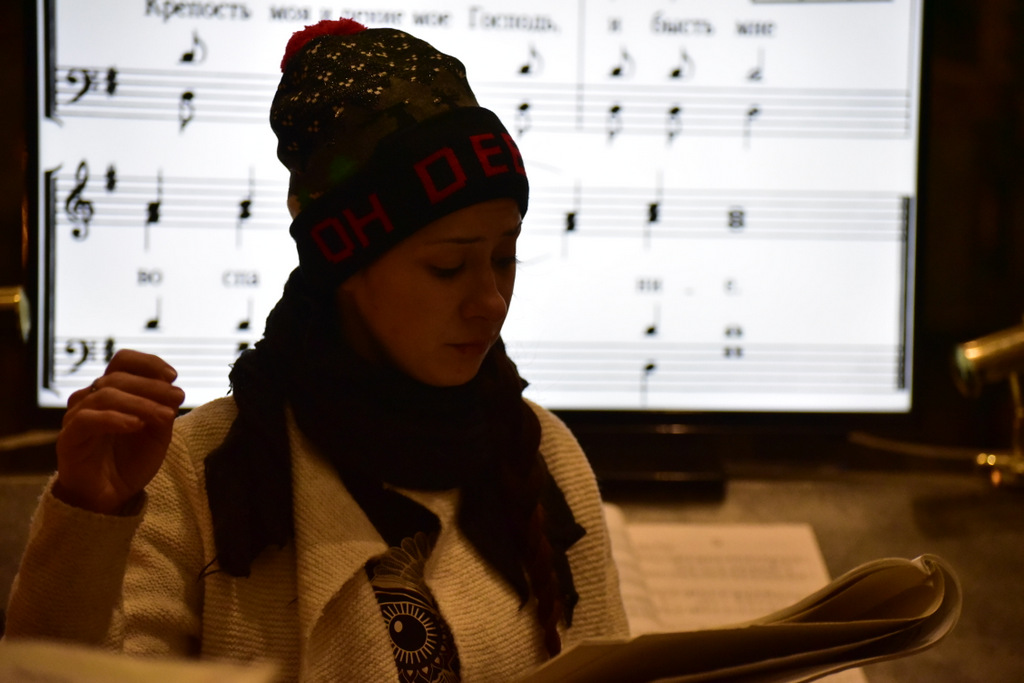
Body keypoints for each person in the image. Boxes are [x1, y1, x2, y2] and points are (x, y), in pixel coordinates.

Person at [3, 18, 629, 682]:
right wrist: (89, 515)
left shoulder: (542, 451)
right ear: (344, 264)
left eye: (505, 258)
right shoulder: (197, 471)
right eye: (448, 267)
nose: (491, 301)